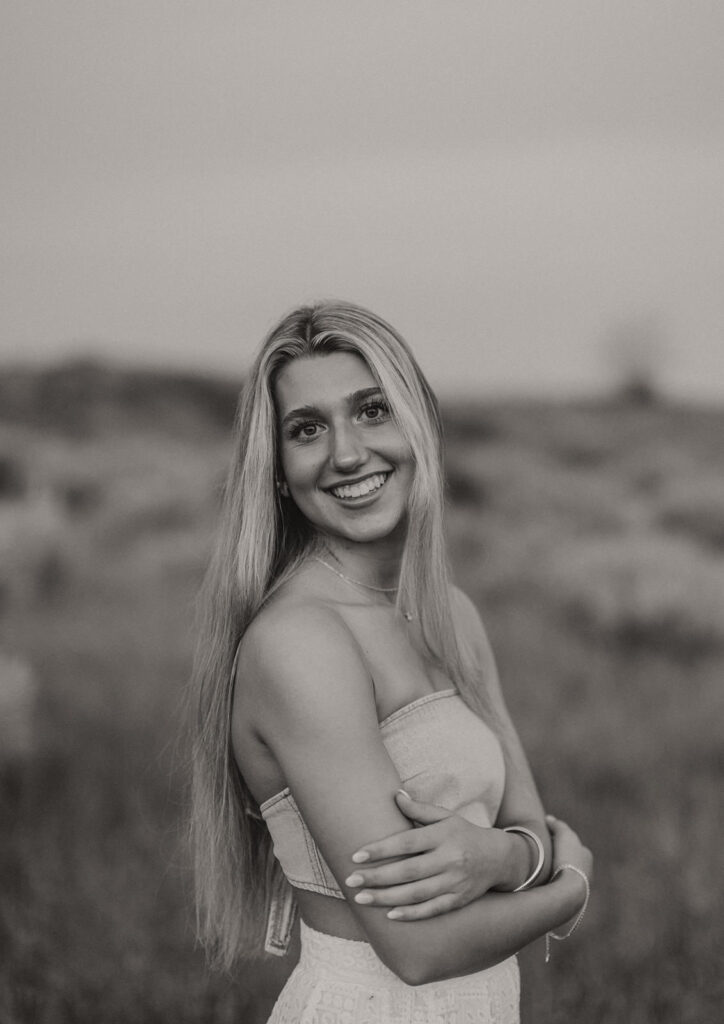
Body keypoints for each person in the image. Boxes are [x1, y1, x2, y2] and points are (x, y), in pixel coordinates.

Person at [190, 301, 592, 1023]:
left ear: (420, 424)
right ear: (277, 469)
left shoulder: (452, 616)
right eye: (306, 429)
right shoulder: (301, 641)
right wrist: (568, 888)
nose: (346, 454)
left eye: (372, 410)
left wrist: (505, 859)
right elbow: (417, 948)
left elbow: (526, 826)